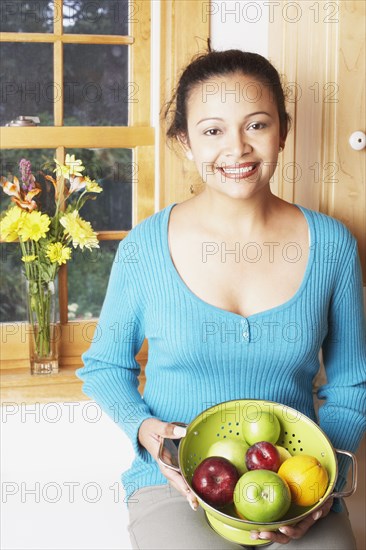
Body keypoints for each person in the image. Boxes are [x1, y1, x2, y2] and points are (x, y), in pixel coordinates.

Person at [76, 49, 365, 549]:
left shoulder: (333, 245)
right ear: (185, 142)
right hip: (176, 488)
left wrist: (323, 481)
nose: (237, 149)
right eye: (212, 131)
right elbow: (104, 366)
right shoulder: (145, 248)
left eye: (256, 125)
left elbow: (353, 383)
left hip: (296, 484)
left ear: (282, 131)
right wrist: (145, 430)